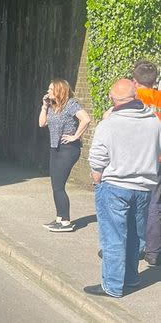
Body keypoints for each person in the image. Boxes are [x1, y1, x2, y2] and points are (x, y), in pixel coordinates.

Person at [85, 79, 161, 298]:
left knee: (114, 237)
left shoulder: (109, 123)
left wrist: (97, 176)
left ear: (112, 98)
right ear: (136, 96)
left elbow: (97, 156)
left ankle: (112, 285)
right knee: (135, 238)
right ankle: (131, 278)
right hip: (144, 187)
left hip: (115, 186)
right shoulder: (154, 122)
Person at [38, 78, 91, 232]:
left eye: (50, 89)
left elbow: (86, 119)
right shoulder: (53, 106)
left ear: (59, 90)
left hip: (68, 149)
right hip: (55, 148)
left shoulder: (71, 104)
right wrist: (44, 106)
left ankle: (66, 222)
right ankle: (59, 218)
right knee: (55, 186)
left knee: (59, 186)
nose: (47, 92)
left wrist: (75, 136)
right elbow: (42, 123)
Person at [131, 60, 161, 267]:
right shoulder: (159, 100)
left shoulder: (130, 99)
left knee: (131, 203)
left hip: (135, 158)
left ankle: (133, 246)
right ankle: (153, 252)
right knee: (155, 205)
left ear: (134, 81)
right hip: (158, 158)